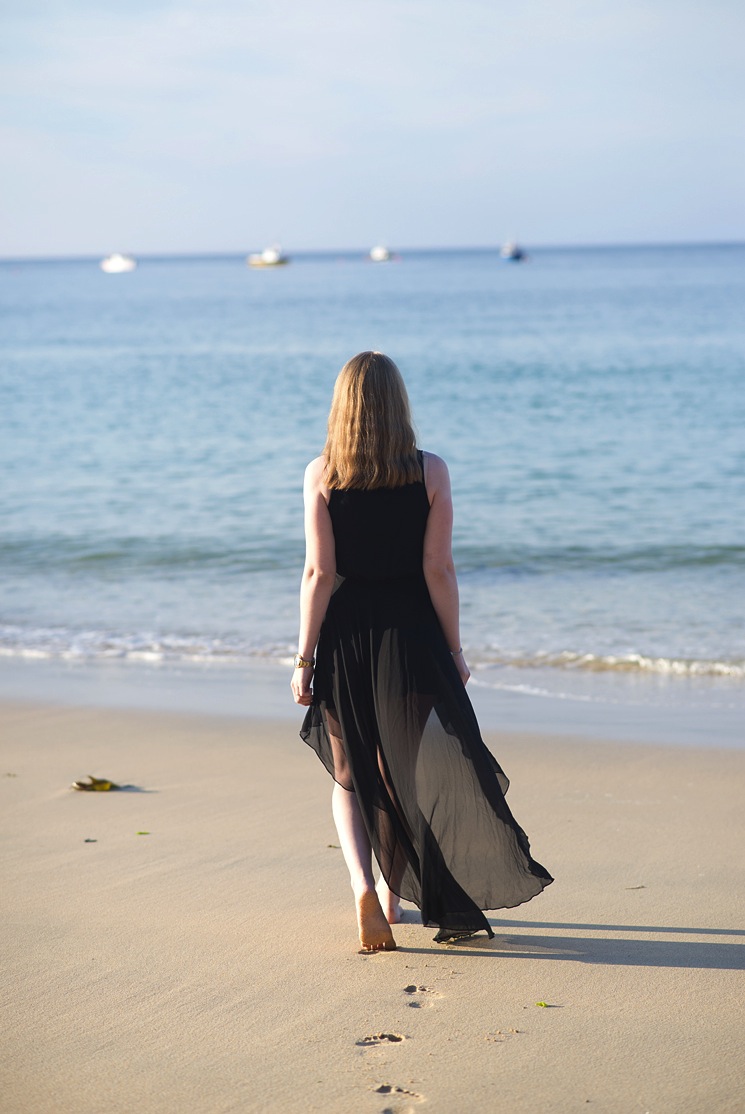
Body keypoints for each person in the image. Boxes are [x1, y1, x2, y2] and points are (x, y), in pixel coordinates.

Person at [291, 351, 552, 952]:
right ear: (398, 404)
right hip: (411, 635)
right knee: (401, 771)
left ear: (344, 406)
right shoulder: (431, 471)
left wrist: (304, 658)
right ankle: (392, 897)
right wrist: (454, 650)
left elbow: (318, 574)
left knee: (351, 775)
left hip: (347, 638)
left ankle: (363, 886)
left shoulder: (322, 473)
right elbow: (438, 568)